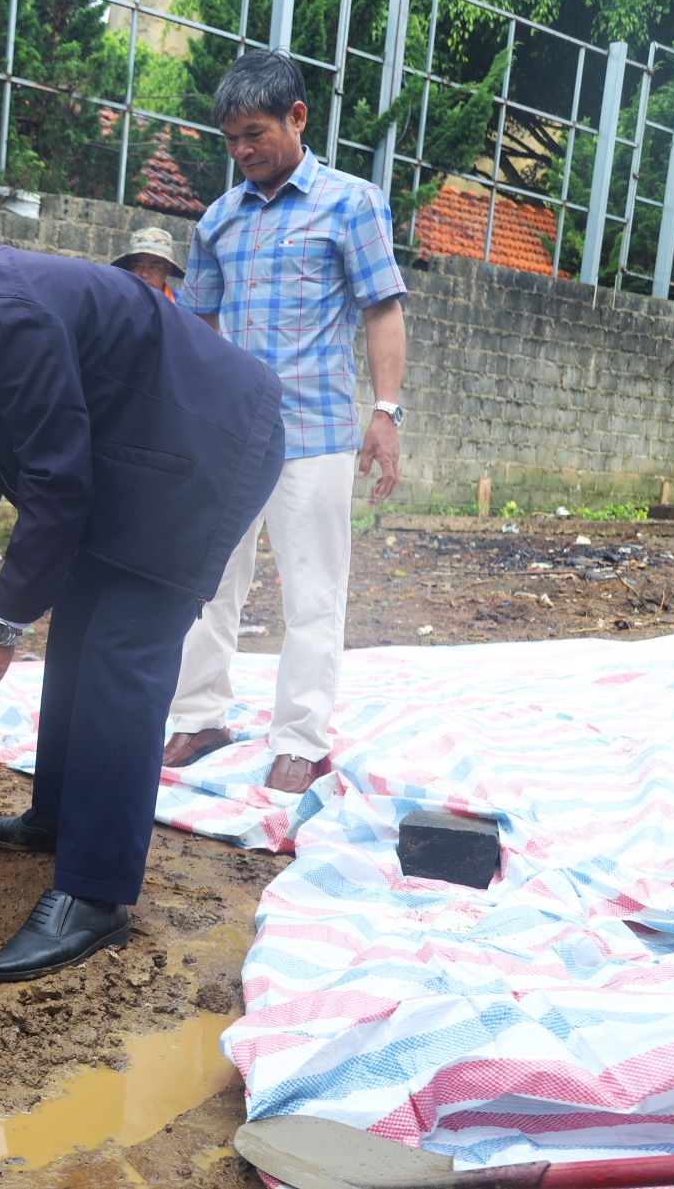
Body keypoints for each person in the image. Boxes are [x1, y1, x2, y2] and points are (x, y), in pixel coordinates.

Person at [0, 190, 284, 983]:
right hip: (135, 446)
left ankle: (96, 893)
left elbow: (57, 484)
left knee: (123, 652)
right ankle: (62, 812)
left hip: (206, 450)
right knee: (78, 630)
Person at [165, 51, 408, 794]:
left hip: (315, 436)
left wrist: (386, 411)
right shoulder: (217, 220)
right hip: (230, 439)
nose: (241, 151)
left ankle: (299, 737)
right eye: (231, 138)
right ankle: (200, 714)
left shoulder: (351, 203)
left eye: (255, 133)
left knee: (312, 593)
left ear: (298, 117)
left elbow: (382, 309)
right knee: (206, 584)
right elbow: (197, 327)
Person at [113, 226, 183, 300]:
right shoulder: (113, 301)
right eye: (137, 266)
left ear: (168, 269)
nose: (144, 274)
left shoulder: (182, 307)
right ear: (128, 267)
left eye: (154, 267)